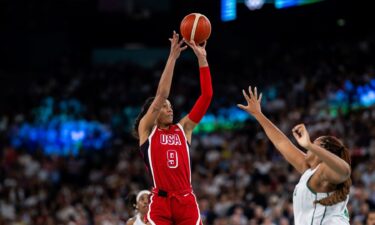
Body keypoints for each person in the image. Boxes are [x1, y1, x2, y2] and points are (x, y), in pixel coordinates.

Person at [237, 86, 352, 225]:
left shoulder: (324, 171)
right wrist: (258, 115)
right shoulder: (309, 170)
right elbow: (281, 142)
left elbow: (345, 171)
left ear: (323, 152)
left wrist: (309, 145)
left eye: (316, 144)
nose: (310, 146)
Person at [133, 31, 213, 225]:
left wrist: (202, 60)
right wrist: (172, 58)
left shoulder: (183, 128)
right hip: (160, 201)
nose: (170, 109)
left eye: (171, 106)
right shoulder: (147, 130)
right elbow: (161, 94)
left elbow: (207, 96)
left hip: (185, 199)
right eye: (165, 107)